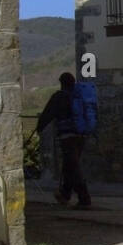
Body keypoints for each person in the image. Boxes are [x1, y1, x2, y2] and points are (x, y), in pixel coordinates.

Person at [36, 72, 91, 209]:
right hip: (82, 135)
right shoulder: (80, 96)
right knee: (69, 164)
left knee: (72, 166)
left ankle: (84, 197)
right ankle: (65, 194)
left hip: (67, 136)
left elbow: (48, 114)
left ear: (62, 83)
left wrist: (39, 128)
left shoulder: (59, 96)